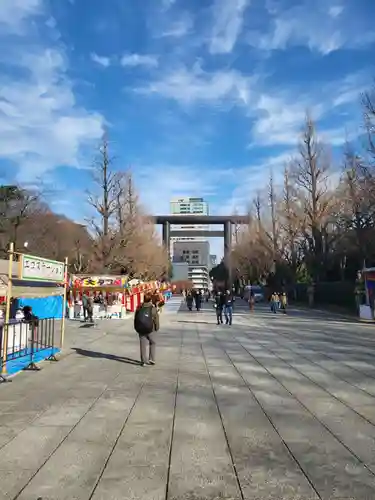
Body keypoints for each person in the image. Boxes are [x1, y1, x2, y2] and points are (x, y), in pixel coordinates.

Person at [134, 293, 159, 366]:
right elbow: (156, 320)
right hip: (150, 329)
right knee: (153, 342)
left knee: (143, 344)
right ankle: (151, 359)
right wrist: (157, 327)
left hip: (141, 328)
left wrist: (136, 327)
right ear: (150, 300)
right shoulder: (153, 308)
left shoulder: (139, 307)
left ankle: (143, 361)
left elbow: (136, 318)